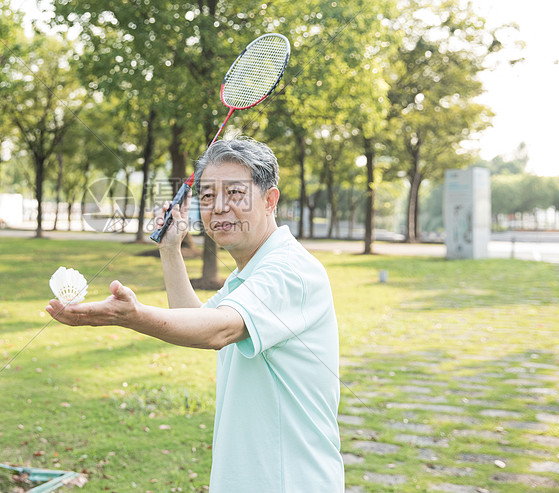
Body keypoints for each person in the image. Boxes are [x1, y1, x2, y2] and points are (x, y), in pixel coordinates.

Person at [46, 137, 343, 491]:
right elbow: (196, 321)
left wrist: (132, 316)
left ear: (270, 200)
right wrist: (170, 249)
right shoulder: (247, 276)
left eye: (235, 193)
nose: (218, 207)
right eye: (206, 196)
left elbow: (216, 332)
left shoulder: (290, 271)